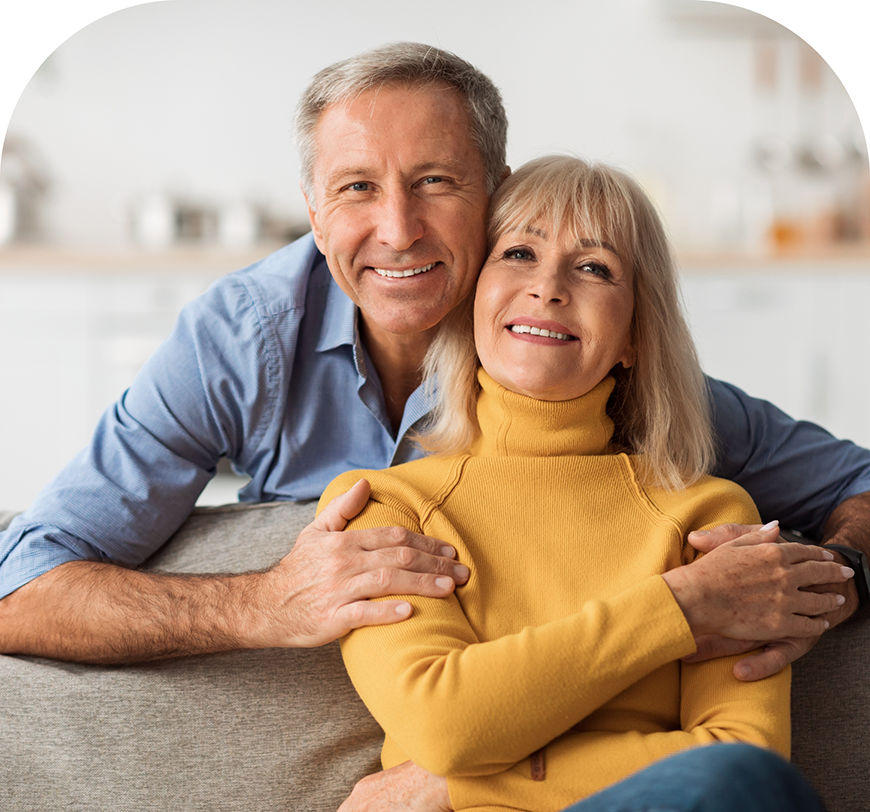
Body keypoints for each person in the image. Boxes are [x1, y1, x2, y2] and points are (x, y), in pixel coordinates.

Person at [0, 41, 865, 807]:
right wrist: (265, 600)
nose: (398, 229)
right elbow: (18, 587)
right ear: (312, 213)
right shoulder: (246, 346)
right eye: (356, 189)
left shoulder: (595, 369)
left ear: (494, 193)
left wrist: (828, 583)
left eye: (435, 182)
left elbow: (850, 494)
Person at [325, 155, 832, 812]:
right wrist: (679, 605)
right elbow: (446, 726)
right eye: (517, 254)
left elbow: (742, 761)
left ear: (634, 336)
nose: (549, 287)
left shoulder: (709, 513)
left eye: (594, 268)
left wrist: (455, 784)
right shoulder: (385, 507)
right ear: (473, 296)